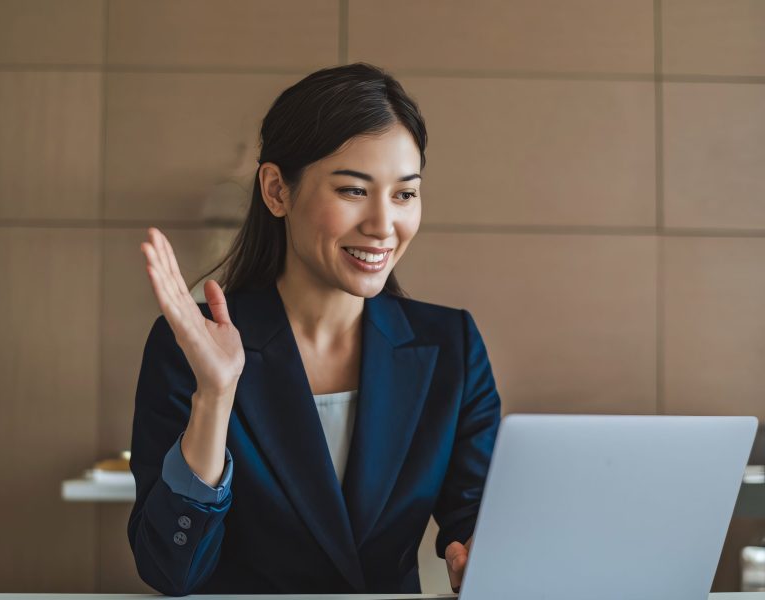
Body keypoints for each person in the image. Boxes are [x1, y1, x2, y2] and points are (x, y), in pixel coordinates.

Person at [127, 62, 501, 596]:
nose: (382, 224)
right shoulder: (190, 345)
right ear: (277, 190)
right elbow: (170, 571)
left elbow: (479, 519)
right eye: (353, 190)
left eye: (404, 194)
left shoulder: (451, 347)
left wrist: (483, 559)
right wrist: (215, 396)